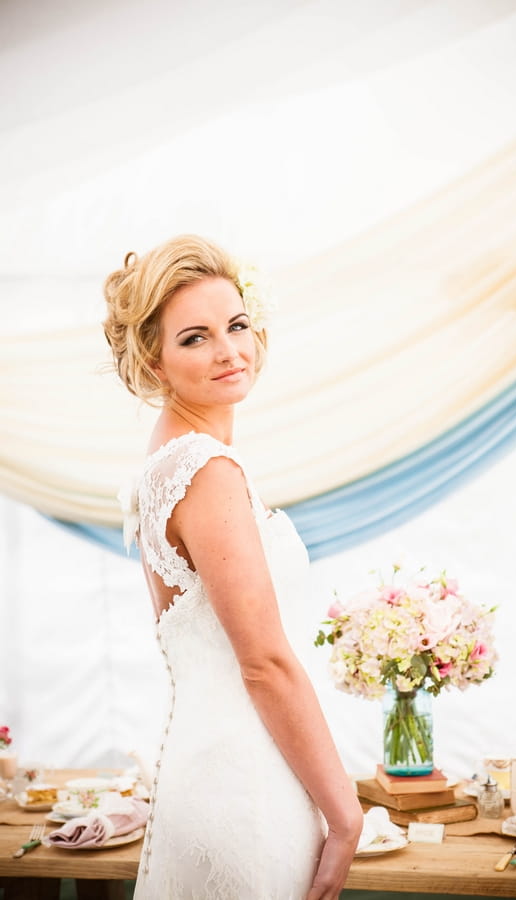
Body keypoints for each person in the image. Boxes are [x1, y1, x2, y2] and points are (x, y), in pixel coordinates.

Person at [102, 234, 363, 899]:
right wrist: (345, 816)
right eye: (195, 337)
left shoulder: (165, 460)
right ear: (154, 361)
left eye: (236, 325)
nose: (229, 350)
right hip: (242, 787)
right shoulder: (206, 472)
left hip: (212, 766)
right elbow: (264, 664)